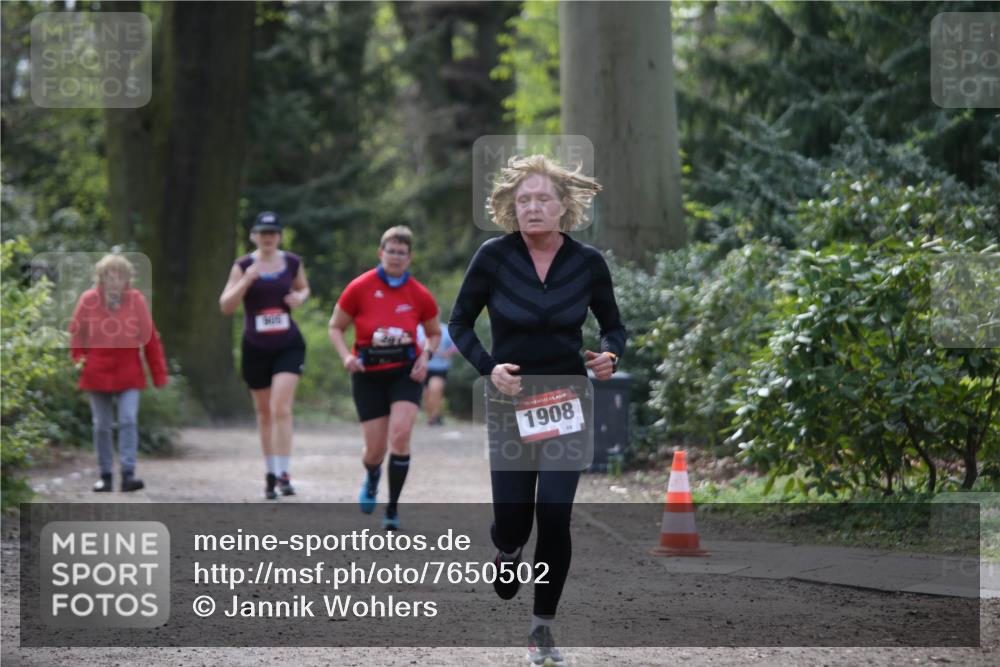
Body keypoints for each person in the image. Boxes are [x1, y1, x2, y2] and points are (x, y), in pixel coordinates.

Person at [449, 155, 625, 666]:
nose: (532, 207)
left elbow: (614, 326)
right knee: (512, 522)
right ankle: (507, 552)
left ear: (564, 206)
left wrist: (609, 355)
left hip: (567, 398)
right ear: (511, 207)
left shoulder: (587, 263)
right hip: (511, 399)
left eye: (542, 198)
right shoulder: (493, 257)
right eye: (523, 200)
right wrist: (489, 368)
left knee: (555, 513)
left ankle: (541, 629)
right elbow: (459, 323)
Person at [329, 226, 440, 530]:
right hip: (368, 375)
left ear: (409, 257)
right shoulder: (359, 287)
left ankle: (392, 509)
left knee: (401, 435)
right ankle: (373, 473)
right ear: (381, 253)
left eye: (401, 253)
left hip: (406, 373)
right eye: (390, 251)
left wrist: (426, 356)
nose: (395, 257)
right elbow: (335, 327)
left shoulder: (419, 294)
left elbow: (433, 334)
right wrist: (346, 356)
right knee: (375, 450)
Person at [219, 211, 310, 500]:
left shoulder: (292, 262)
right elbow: (226, 306)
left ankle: (284, 473)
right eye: (263, 232)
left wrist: (301, 298)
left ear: (279, 236)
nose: (268, 237)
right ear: (254, 236)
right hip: (255, 347)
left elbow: (303, 287)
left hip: (288, 344)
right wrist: (245, 281)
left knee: (280, 406)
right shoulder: (243, 265)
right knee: (264, 413)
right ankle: (270, 473)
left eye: (273, 233)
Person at [70, 254, 168, 492]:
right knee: (101, 425)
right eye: (109, 275)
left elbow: (150, 339)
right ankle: (105, 475)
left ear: (127, 279)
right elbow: (76, 333)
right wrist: (79, 362)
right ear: (101, 278)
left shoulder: (136, 301)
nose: (115, 280)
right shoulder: (88, 300)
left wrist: (159, 374)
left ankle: (128, 473)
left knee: (127, 419)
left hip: (129, 374)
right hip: (96, 372)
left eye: (120, 276)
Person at [417, 320, 457, 425]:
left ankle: (436, 416)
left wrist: (449, 352)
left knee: (435, 389)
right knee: (426, 394)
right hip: (424, 366)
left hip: (440, 367)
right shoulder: (419, 329)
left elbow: (456, 343)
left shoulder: (445, 329)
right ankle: (431, 418)